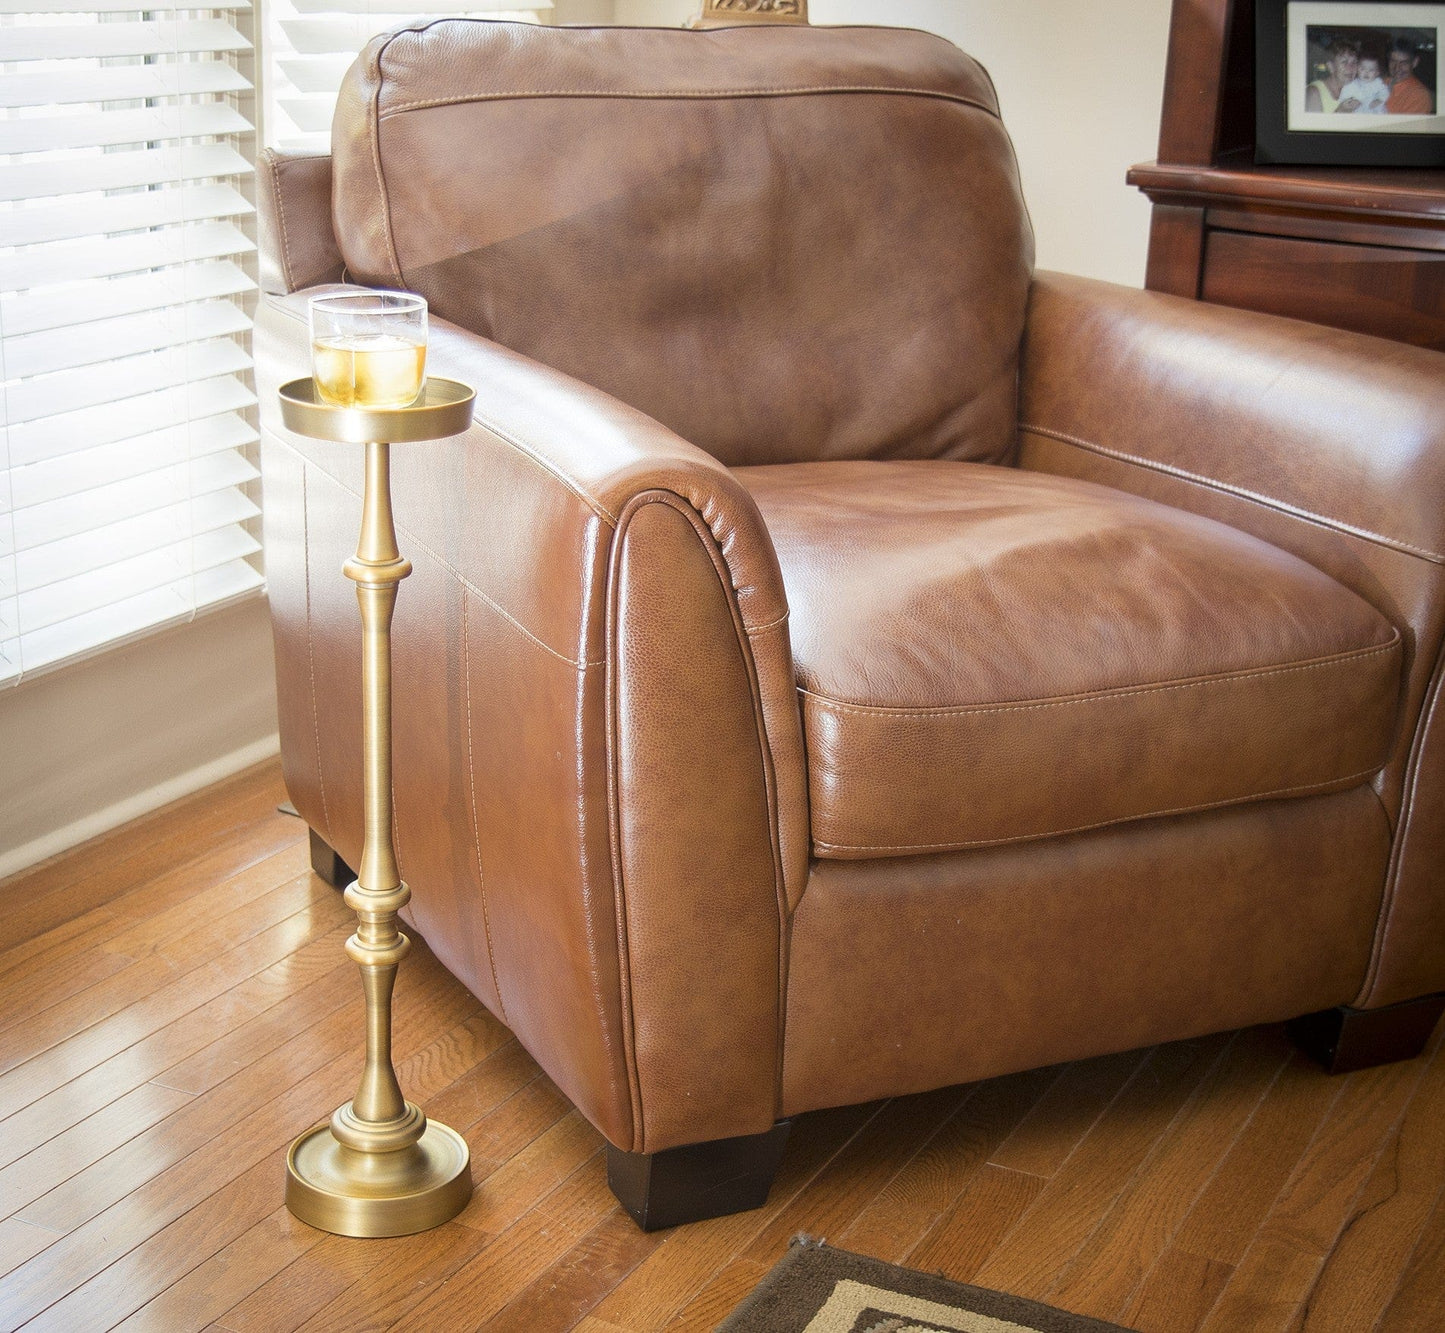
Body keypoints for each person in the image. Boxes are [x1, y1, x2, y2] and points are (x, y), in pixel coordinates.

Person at [1306, 37, 1362, 113]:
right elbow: (1309, 125)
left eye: (1354, 62)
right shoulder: (1313, 92)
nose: (1351, 68)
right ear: (1330, 67)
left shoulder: (1357, 90)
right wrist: (1340, 112)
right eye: (1344, 62)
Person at [1387, 37, 1434, 114]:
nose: (1397, 68)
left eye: (1404, 63)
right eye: (1393, 61)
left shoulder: (1420, 96)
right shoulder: (1381, 82)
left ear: (1414, 62)